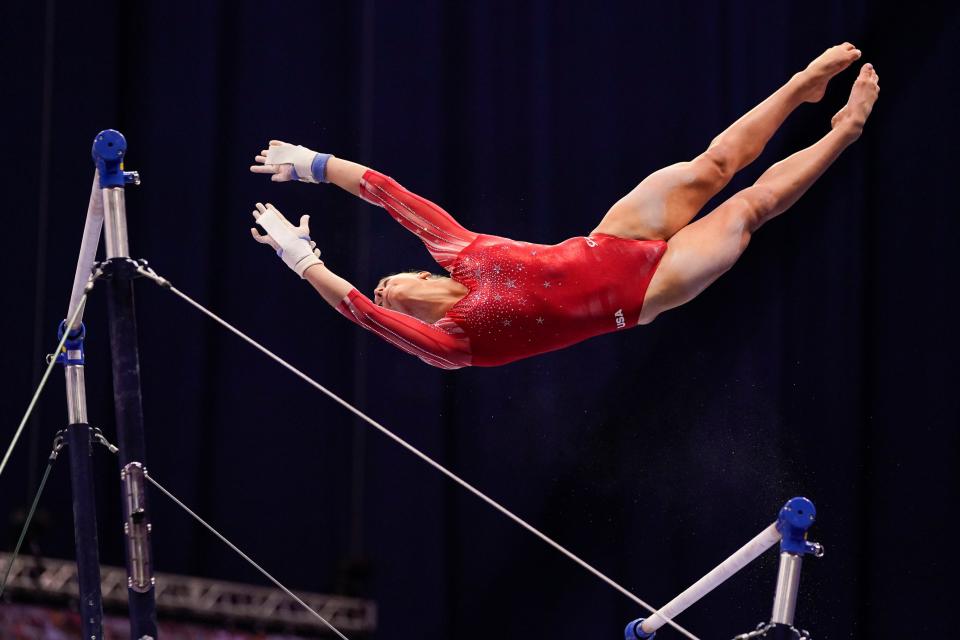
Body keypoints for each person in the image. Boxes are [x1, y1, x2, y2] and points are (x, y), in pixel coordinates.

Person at [249, 43, 878, 369]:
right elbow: (357, 310)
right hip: (646, 293)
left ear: (423, 273)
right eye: (386, 290)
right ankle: (842, 132)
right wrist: (301, 258)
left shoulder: (458, 253)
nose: (384, 291)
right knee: (749, 207)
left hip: (613, 238)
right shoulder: (452, 342)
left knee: (712, 165)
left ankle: (801, 88)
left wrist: (315, 165)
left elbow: (387, 192)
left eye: (388, 281)